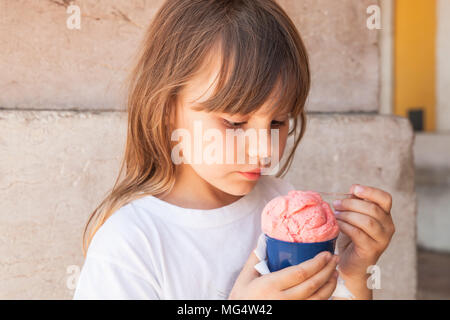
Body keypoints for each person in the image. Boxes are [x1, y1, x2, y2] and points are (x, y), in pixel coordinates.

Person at [73, 0, 395, 300]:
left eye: (277, 123)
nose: (263, 151)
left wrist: (353, 274)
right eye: (235, 122)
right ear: (167, 108)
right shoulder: (131, 245)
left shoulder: (278, 205)